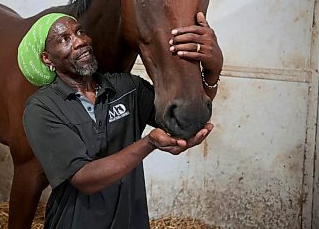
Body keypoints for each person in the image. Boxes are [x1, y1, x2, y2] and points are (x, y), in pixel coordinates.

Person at [18, 12, 223, 229]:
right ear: (47, 59)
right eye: (65, 39)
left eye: (79, 31)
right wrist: (149, 143)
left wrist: (213, 68)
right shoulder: (42, 108)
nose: (80, 41)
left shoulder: (127, 88)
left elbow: (184, 118)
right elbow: (83, 178)